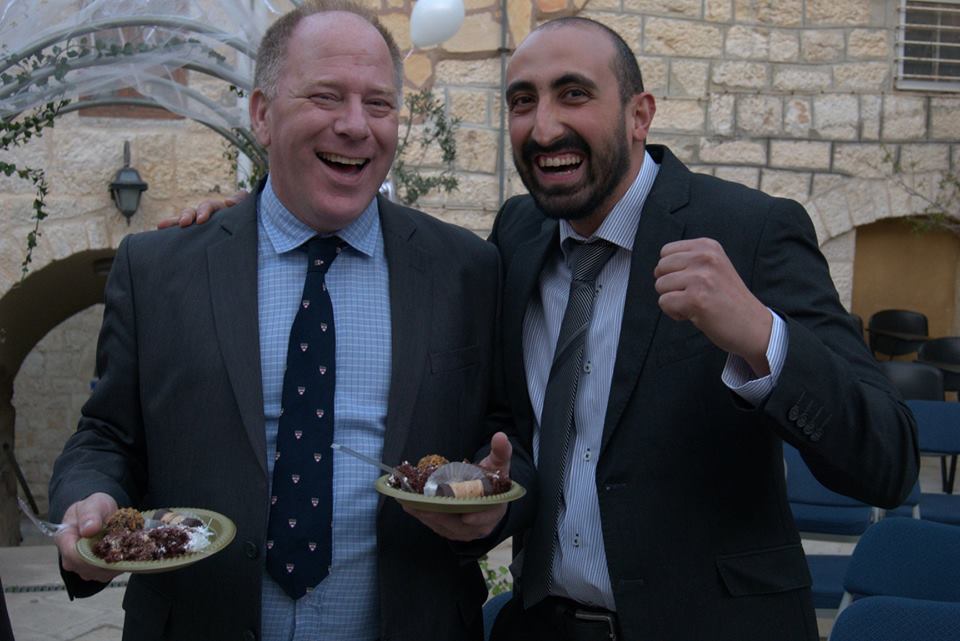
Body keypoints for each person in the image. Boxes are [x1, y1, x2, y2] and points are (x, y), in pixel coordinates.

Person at [176, 15, 919, 641]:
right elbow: (515, 439)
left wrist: (762, 337)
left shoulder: (750, 232)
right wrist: (252, 224)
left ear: (639, 114)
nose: (544, 126)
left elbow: (886, 460)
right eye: (521, 101)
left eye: (574, 95)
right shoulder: (518, 238)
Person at [47, 2, 533, 640]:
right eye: (326, 96)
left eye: (379, 104)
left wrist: (493, 509)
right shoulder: (160, 270)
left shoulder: (467, 269)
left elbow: (513, 437)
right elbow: (107, 435)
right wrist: (90, 501)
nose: (355, 125)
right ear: (261, 114)